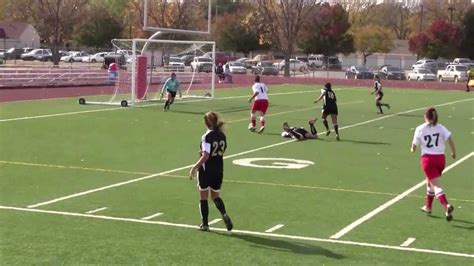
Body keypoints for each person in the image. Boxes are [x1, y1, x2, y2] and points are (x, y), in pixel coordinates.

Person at [189, 111, 233, 232]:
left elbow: (206, 155)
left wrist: (195, 166)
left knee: (203, 196)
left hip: (206, 170)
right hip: (219, 169)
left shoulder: (206, 136)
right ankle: (223, 213)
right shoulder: (222, 135)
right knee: (215, 196)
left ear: (206, 122)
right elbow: (222, 150)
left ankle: (205, 224)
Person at [411, 107, 456, 221]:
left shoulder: (420, 128)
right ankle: (428, 206)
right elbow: (449, 138)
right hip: (441, 159)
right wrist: (453, 151)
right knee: (429, 181)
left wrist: (412, 149)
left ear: (425, 117)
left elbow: (414, 146)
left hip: (428, 160)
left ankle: (446, 205)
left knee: (436, 185)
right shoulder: (441, 127)